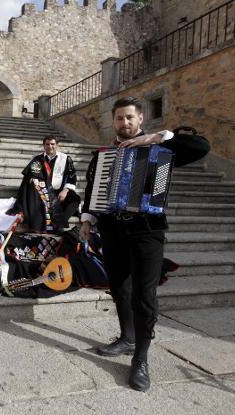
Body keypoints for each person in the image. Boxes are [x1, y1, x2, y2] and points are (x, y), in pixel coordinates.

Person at [79, 96, 189, 392]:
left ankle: (140, 358)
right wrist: (87, 219)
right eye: (119, 118)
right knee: (119, 287)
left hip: (146, 231)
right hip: (112, 231)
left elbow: (200, 147)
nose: (124, 123)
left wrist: (158, 137)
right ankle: (127, 338)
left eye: (130, 118)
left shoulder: (161, 146)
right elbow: (92, 188)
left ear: (140, 119)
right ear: (113, 122)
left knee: (144, 295)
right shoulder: (104, 154)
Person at [8, 135, 80, 233]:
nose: (50, 146)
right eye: (47, 144)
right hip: (43, 191)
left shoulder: (66, 159)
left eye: (52, 144)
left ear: (57, 145)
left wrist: (65, 190)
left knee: (75, 198)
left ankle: (59, 222)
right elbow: (30, 176)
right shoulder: (38, 159)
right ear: (44, 146)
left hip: (59, 191)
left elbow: (72, 176)